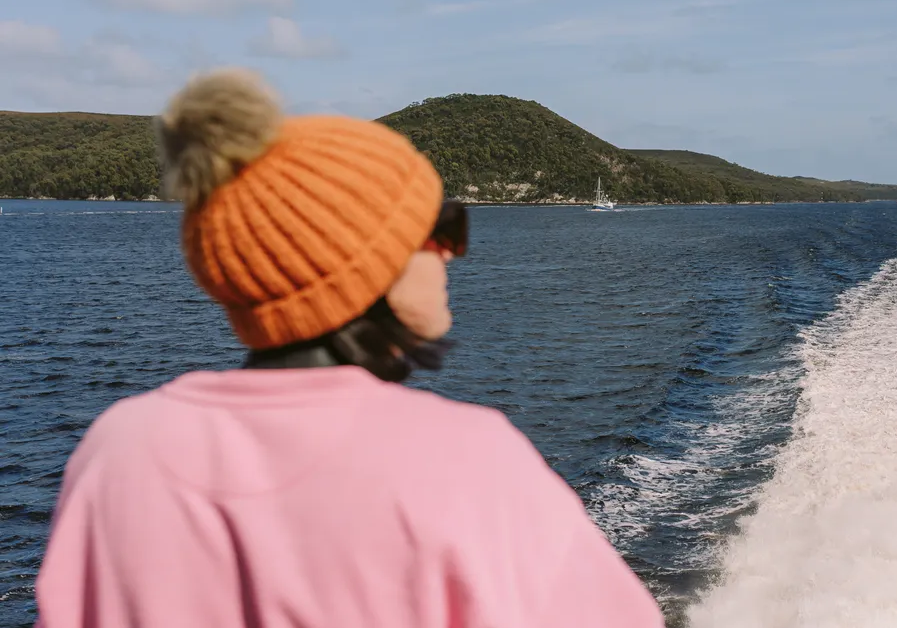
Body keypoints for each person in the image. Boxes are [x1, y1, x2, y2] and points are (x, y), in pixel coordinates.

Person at [35, 69, 664, 628]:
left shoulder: (121, 448)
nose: (450, 250)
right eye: (440, 227)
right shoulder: (466, 458)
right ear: (369, 266)